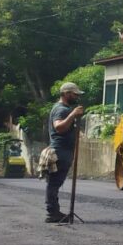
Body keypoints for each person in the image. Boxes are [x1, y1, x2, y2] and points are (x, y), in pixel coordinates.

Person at [46, 83, 85, 223]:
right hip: (60, 151)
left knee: (55, 183)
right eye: (75, 94)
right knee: (54, 183)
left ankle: (54, 212)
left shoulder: (64, 109)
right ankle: (53, 213)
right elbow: (58, 127)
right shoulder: (61, 109)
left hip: (63, 151)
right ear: (66, 93)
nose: (77, 97)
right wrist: (73, 115)